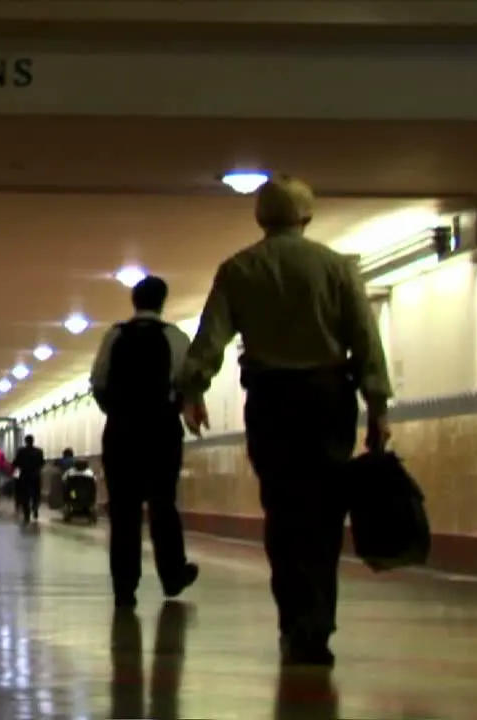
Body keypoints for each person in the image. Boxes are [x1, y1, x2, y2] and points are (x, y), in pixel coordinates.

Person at [179, 175, 393, 667]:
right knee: (323, 513)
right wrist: (377, 406)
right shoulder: (336, 268)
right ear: (308, 215)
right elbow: (365, 339)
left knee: (282, 510)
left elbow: (209, 339)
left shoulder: (239, 269)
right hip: (327, 398)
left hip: (271, 400)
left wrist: (193, 390)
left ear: (260, 217)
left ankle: (294, 619)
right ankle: (316, 623)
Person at [90, 275, 198, 610]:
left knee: (124, 509)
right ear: (162, 302)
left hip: (121, 431)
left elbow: (97, 380)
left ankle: (124, 585)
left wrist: (117, 410)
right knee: (163, 503)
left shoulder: (115, 335)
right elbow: (187, 378)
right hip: (161, 430)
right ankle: (172, 574)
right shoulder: (174, 337)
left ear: (134, 301)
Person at [11, 434, 46, 524]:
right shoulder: (39, 451)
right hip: (35, 476)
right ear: (33, 441)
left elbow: (16, 464)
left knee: (24, 496)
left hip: (24, 476)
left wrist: (15, 476)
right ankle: (35, 508)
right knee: (36, 494)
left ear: (25, 441)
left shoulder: (21, 451)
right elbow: (42, 463)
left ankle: (27, 515)